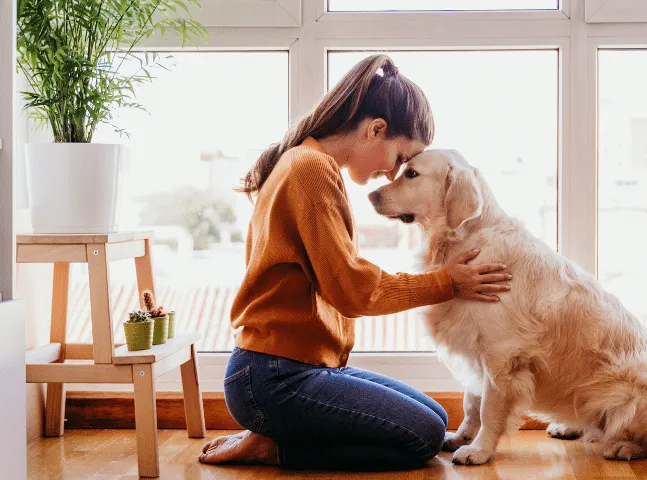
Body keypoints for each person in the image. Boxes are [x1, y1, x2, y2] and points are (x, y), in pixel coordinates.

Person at [198, 54, 511, 471]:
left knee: (436, 420)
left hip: (295, 369)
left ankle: (278, 433)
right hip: (272, 378)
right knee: (422, 437)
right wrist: (446, 282)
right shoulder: (310, 170)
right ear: (375, 129)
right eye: (399, 159)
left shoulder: (309, 162)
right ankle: (274, 447)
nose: (391, 174)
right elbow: (352, 290)